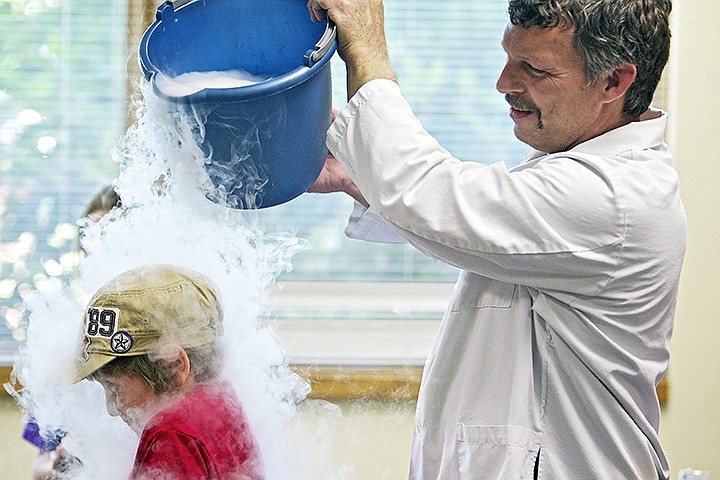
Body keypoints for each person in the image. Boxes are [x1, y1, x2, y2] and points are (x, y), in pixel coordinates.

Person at [305, 0, 685, 479]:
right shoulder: (582, 172)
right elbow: (468, 224)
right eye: (509, 58)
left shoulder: (614, 197)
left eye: (535, 69)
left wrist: (366, 50)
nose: (505, 84)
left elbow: (429, 195)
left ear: (614, 81)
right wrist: (357, 176)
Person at [70, 264, 265, 480]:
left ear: (173, 365)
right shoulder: (220, 401)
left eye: (114, 386)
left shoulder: (171, 435)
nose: (112, 408)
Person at [24, 184, 121, 480]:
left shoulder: (154, 330)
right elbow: (41, 465)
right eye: (90, 234)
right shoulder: (70, 332)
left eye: (110, 233)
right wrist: (58, 462)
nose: (98, 244)